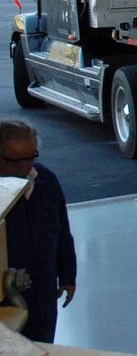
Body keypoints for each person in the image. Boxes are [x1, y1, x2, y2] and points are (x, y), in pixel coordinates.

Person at [0, 120, 76, 342]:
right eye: (14, 161)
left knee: (43, 344)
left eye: (30, 158)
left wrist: (68, 276)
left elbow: (62, 231)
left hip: (43, 286)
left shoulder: (46, 181)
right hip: (6, 294)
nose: (24, 167)